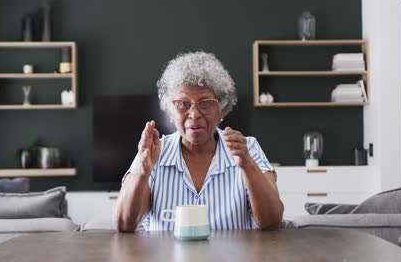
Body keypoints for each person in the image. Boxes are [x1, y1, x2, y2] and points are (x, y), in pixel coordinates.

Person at [116, 52, 283, 232]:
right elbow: (125, 224)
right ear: (170, 112)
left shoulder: (247, 148)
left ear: (222, 110)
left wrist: (247, 165)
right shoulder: (152, 152)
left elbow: (272, 221)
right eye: (183, 104)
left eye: (205, 103)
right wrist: (141, 173)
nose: (194, 114)